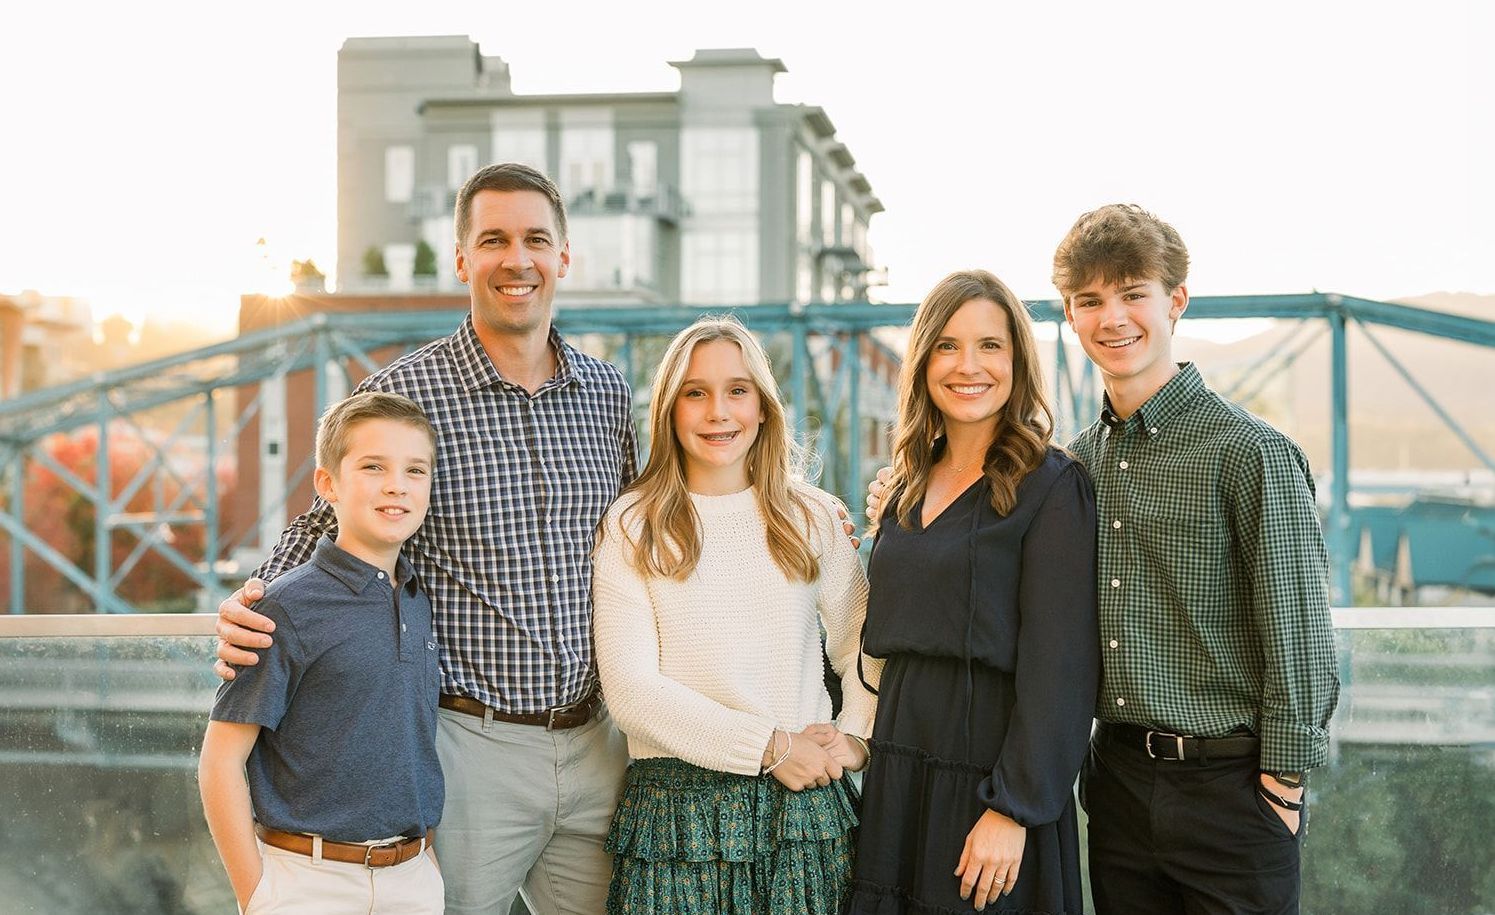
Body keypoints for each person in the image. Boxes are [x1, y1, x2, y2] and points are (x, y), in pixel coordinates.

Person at [215, 163, 638, 915]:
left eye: (536, 239)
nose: (517, 259)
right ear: (462, 259)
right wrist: (252, 608)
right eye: (494, 239)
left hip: (598, 739)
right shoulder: (405, 393)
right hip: (472, 747)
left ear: (563, 257)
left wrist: (803, 511)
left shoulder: (606, 392)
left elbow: (651, 522)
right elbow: (322, 524)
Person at [1054, 204, 1338, 914]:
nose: (1111, 318)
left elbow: (1298, 635)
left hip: (1233, 791)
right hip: (1115, 783)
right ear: (1069, 314)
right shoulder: (1078, 462)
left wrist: (1282, 784)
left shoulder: (1249, 452)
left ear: (1174, 301)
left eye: (1131, 293)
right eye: (1089, 300)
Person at [591, 316, 878, 915]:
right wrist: (768, 746)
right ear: (670, 409)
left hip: (801, 812)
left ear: (764, 407)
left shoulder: (812, 516)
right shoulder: (632, 526)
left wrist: (857, 737)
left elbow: (864, 643)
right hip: (676, 817)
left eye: (737, 390)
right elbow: (631, 692)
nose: (718, 411)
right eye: (696, 393)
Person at [847, 270, 1100, 915]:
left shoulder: (1052, 486)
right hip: (902, 762)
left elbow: (1063, 667)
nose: (968, 366)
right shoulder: (906, 482)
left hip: (990, 776)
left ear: (1017, 361)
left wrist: (1013, 809)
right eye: (948, 346)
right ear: (924, 358)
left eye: (990, 346)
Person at [199, 392, 444, 914]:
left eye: (415, 470)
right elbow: (220, 761)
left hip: (413, 879)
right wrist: (257, 895)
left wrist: (429, 868)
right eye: (373, 466)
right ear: (327, 484)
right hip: (307, 881)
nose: (397, 484)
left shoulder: (419, 600)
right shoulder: (284, 607)